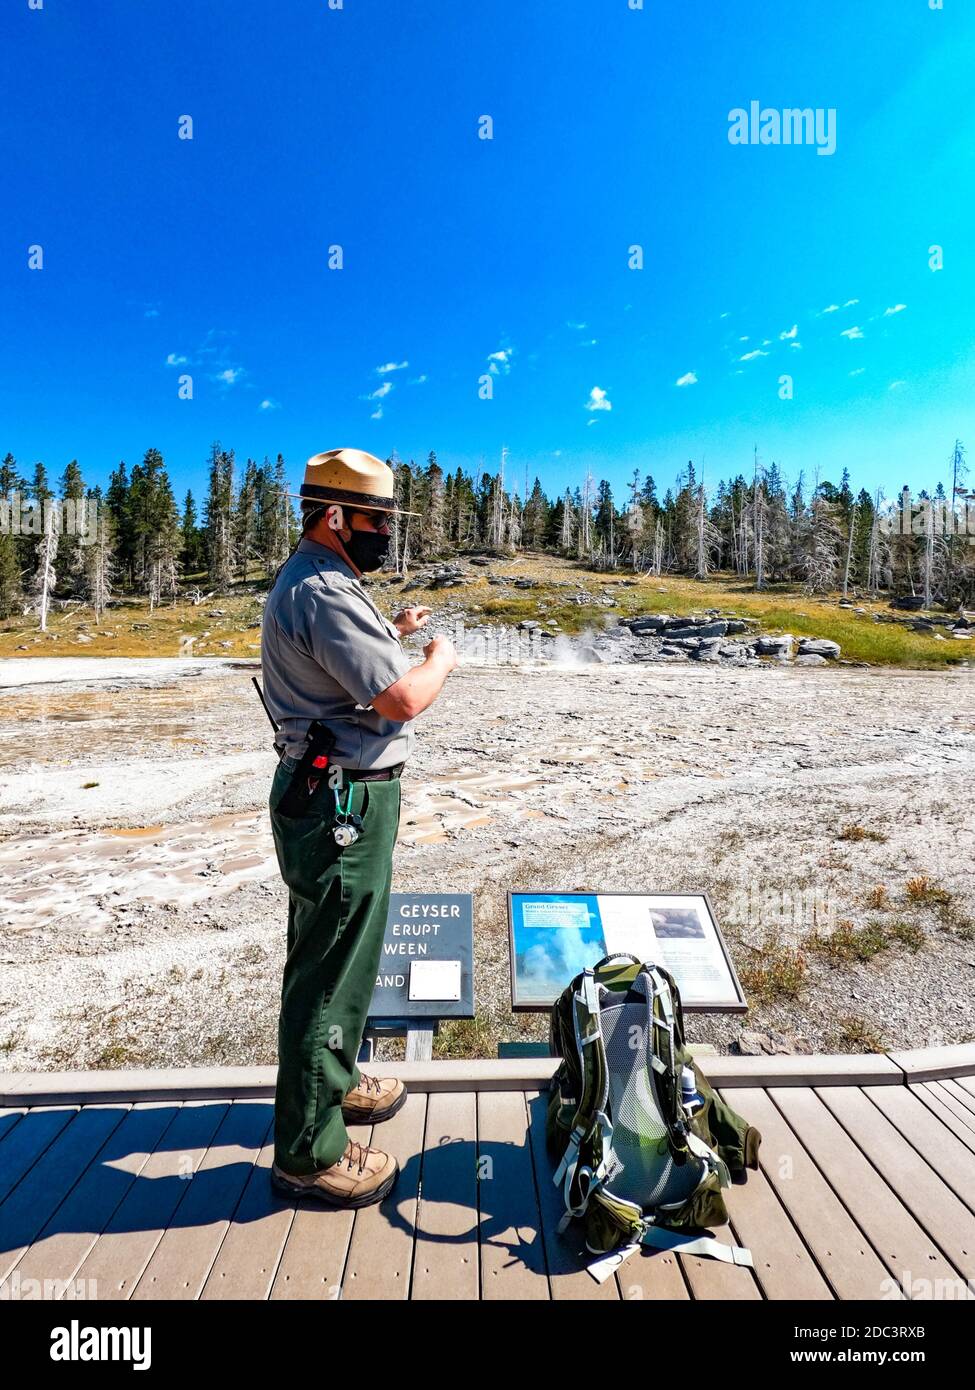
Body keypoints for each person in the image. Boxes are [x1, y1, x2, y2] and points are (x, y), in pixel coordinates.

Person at [260, 447, 458, 1208]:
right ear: (335, 516)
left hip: (329, 794)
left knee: (334, 952)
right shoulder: (323, 589)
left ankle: (332, 1083)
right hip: (341, 802)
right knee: (328, 970)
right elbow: (400, 700)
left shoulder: (323, 581)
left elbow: (345, 665)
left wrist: (394, 628)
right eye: (377, 520)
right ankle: (308, 1155)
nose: (386, 533)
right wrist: (438, 656)